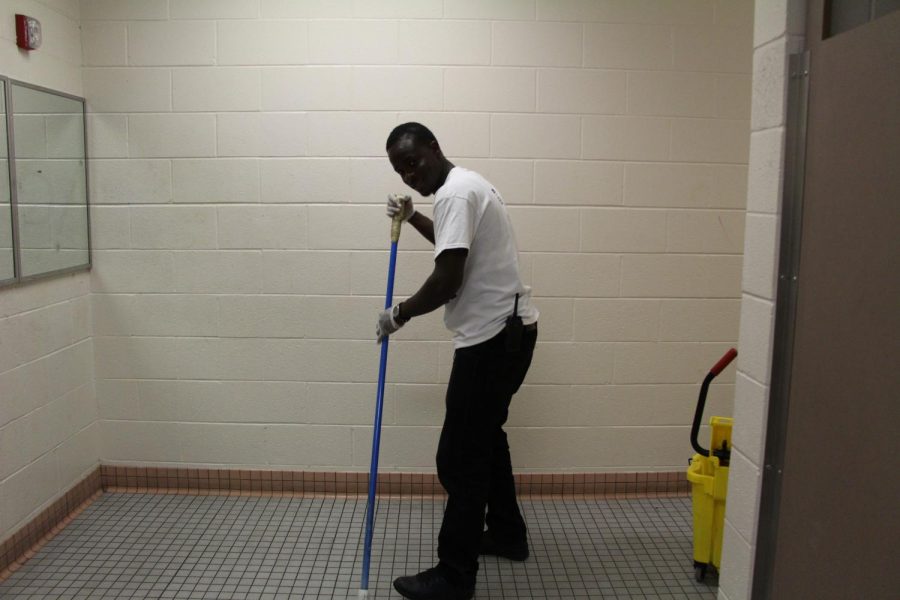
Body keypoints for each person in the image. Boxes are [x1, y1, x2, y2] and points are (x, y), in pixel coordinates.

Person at [376, 122, 539, 600]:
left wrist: (398, 314)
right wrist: (412, 218)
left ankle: (454, 576)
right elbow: (454, 246)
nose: (408, 174)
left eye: (412, 161)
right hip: (511, 334)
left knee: (460, 459)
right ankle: (508, 534)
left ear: (434, 147)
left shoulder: (454, 194)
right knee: (487, 441)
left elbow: (448, 278)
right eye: (399, 170)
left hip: (491, 341)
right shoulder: (465, 185)